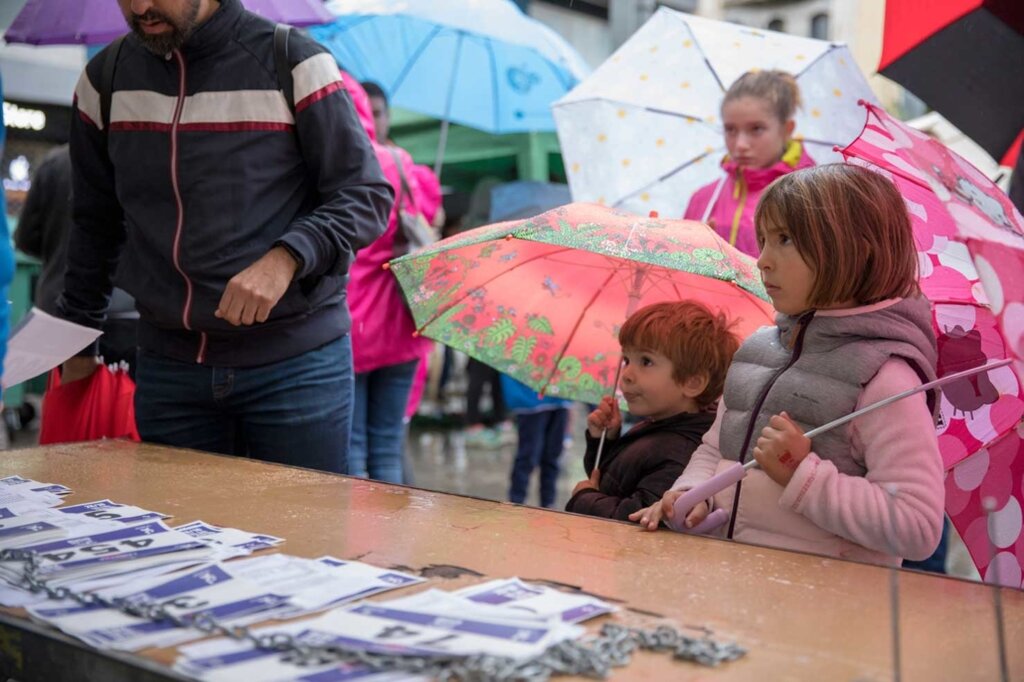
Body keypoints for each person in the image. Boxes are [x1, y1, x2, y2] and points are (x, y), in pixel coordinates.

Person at [58, 0, 392, 474]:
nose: (140, 7)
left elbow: (365, 194)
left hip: (296, 366)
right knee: (178, 523)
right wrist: (77, 342)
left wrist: (288, 256)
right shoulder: (105, 79)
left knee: (299, 524)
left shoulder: (294, 60)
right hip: (168, 368)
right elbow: (94, 223)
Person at [633, 165, 945, 567]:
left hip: (826, 599)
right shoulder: (757, 350)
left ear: (857, 249)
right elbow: (715, 449)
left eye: (785, 239)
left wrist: (802, 474)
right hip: (732, 584)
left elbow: (917, 527)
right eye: (763, 240)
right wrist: (692, 493)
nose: (763, 260)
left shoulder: (886, 379)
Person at [565, 302, 737, 521]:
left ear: (692, 383)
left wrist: (584, 499)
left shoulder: (681, 453)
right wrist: (604, 440)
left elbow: (636, 519)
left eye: (646, 361)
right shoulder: (660, 424)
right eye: (627, 360)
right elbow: (612, 481)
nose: (627, 374)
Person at [344, 77, 433, 483]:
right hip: (400, 325)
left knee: (353, 450)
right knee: (387, 448)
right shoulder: (398, 162)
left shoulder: (329, 164)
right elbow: (420, 225)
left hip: (350, 328)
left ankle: (353, 527)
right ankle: (387, 528)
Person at [15, 145, 139, 374]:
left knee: (66, 392)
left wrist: (59, 251)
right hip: (129, 309)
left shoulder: (55, 163)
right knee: (126, 394)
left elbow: (25, 239)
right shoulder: (141, 159)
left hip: (61, 308)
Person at [684, 70, 814, 258]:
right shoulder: (703, 199)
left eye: (756, 129)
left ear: (787, 129)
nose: (740, 144)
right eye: (730, 130)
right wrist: (693, 254)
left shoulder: (810, 199)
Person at [502, 374, 572, 508]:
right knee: (528, 456)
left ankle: (548, 503)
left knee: (552, 457)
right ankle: (516, 501)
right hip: (530, 400)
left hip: (560, 397)